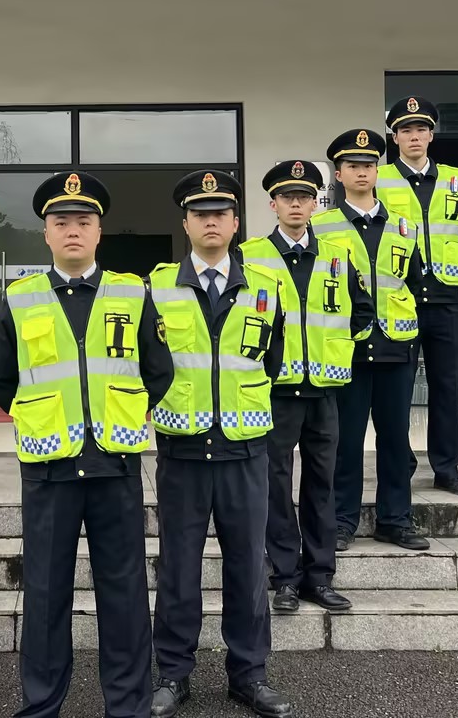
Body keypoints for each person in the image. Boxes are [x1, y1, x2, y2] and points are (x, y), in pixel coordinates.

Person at [0, 171, 173, 718]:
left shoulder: (132, 292)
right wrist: (42, 415)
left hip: (115, 464)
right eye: (61, 221)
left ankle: (129, 707)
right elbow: (0, 378)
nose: (73, 230)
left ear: (99, 231)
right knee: (45, 595)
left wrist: (122, 412)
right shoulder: (20, 298)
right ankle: (42, 706)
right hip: (50, 469)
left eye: (83, 221)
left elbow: (158, 371)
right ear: (45, 232)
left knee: (125, 594)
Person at [149, 170, 291, 718]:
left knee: (248, 568)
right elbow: (147, 364)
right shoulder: (157, 287)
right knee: (178, 569)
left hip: (244, 449)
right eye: (200, 213)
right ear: (185, 223)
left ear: (235, 223)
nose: (210, 221)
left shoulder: (266, 287)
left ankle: (249, 675)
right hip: (183, 450)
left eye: (221, 213)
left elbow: (271, 361)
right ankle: (173, 673)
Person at [240, 159, 370, 615]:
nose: (295, 204)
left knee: (321, 486)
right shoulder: (250, 255)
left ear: (316, 204)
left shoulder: (338, 254)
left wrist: (336, 351)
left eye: (304, 197)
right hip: (275, 391)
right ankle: (285, 578)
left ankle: (320, 576)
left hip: (324, 392)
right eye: (287, 197)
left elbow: (362, 311)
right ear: (272, 204)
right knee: (275, 486)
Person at [316, 130, 429, 553]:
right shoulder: (321, 227)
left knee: (395, 438)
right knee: (345, 440)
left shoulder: (404, 226)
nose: (362, 172)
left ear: (377, 171)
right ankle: (342, 521)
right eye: (353, 166)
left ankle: (395, 520)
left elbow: (413, 282)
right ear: (339, 174)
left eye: (368, 165)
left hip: (396, 346)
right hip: (346, 347)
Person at [379, 97, 458, 497]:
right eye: (406, 130)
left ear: (431, 135)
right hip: (398, 299)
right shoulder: (379, 180)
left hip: (445, 300)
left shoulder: (457, 179)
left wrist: (455, 268)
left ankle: (447, 468)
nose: (414, 136)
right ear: (395, 138)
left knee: (446, 388)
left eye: (421, 129)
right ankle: (400, 465)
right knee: (396, 391)